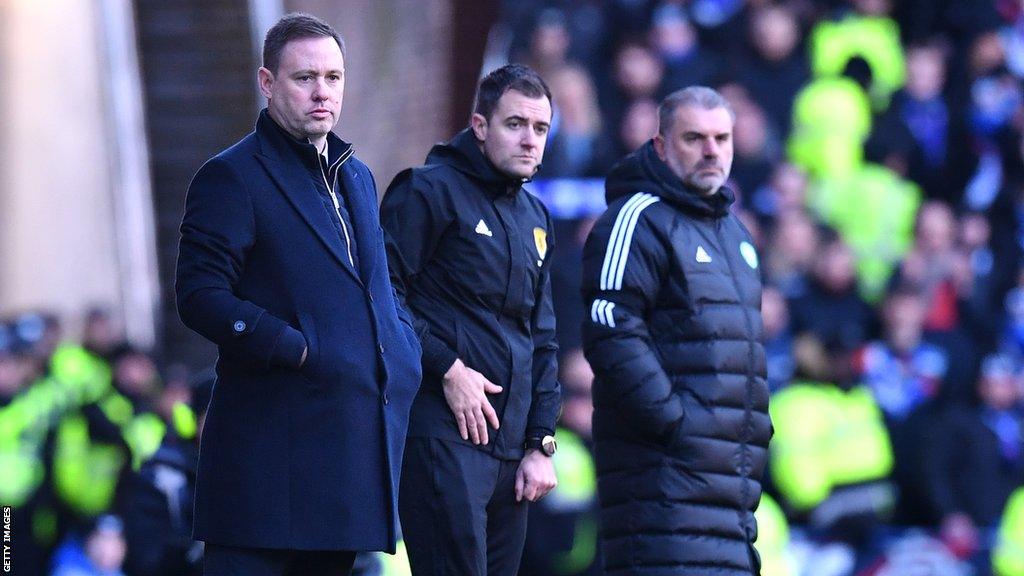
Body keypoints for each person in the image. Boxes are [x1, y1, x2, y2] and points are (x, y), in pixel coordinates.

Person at [174, 12, 422, 576]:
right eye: (304, 77)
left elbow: (378, 285)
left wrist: (401, 347)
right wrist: (297, 348)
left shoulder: (356, 175)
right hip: (266, 473)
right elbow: (199, 294)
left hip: (345, 473)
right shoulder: (231, 176)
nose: (322, 92)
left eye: (333, 77)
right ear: (267, 82)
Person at [580, 86, 771, 575]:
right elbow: (609, 324)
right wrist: (674, 424)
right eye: (694, 138)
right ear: (661, 146)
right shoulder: (637, 218)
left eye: (722, 139)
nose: (711, 151)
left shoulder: (736, 235)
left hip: (731, 496)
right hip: (662, 490)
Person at [380, 63, 560, 575]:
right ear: (479, 126)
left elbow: (543, 337)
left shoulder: (536, 217)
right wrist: (447, 369)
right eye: (515, 124)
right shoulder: (426, 191)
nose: (529, 140)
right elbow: (381, 296)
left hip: (513, 452)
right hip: (441, 434)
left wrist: (541, 442)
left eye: (540, 128)